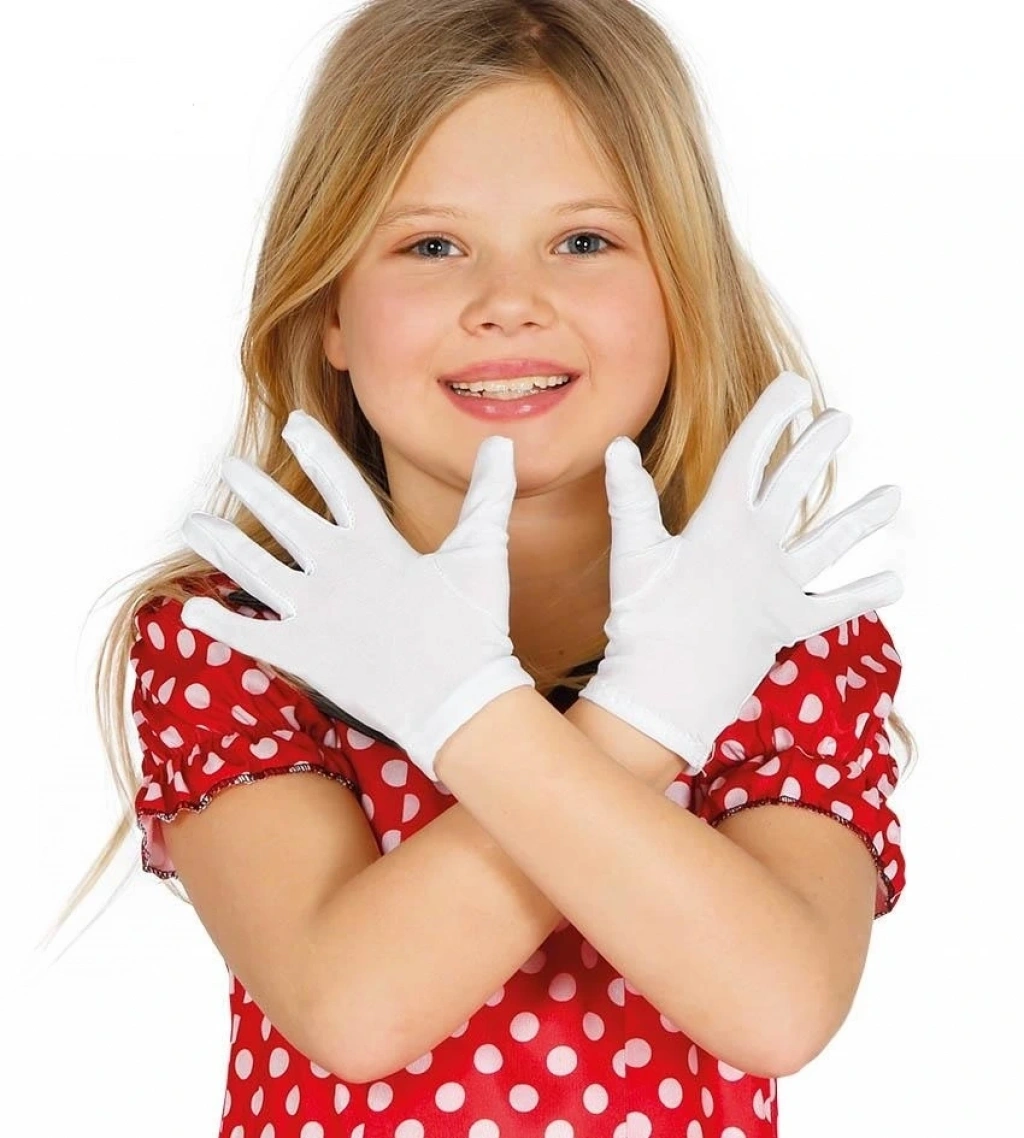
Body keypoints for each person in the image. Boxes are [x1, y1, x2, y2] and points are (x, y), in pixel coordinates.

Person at [45, 1, 917, 1134]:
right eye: (432, 246)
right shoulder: (244, 637)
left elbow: (778, 1006)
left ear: (682, 293)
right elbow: (353, 1007)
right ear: (331, 310)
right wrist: (637, 721)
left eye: (585, 241)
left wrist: (519, 714)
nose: (508, 302)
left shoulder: (776, 638)